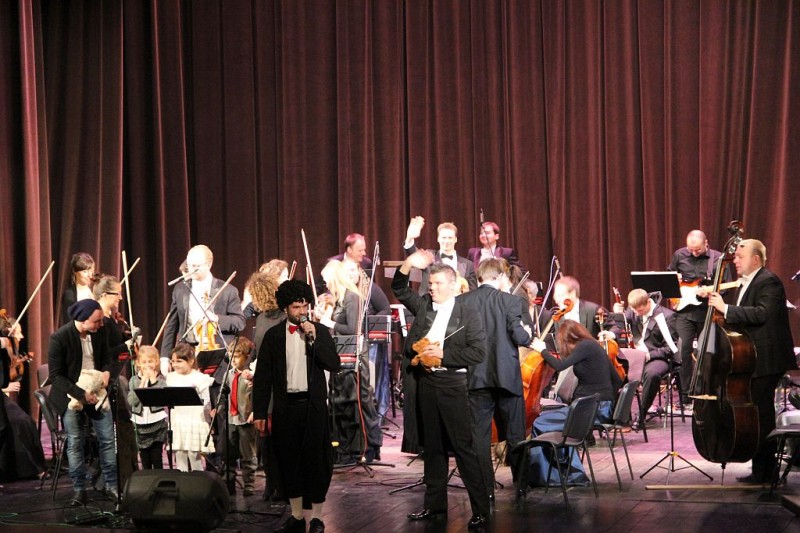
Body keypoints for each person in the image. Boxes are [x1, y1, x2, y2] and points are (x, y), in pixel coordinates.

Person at [392, 250, 490, 529]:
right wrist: (408, 263)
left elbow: (478, 352)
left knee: (463, 448)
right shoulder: (424, 305)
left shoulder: (468, 313)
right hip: (426, 383)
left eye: (437, 284)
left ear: (452, 285)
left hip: (452, 385)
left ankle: (481, 509)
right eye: (430, 283)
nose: (431, 288)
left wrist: (444, 355)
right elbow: (399, 288)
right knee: (432, 447)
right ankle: (434, 505)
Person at [252, 280, 341, 533]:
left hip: (313, 407)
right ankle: (297, 515)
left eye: (304, 306)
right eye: (296, 307)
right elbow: (263, 377)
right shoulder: (273, 336)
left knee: (316, 461)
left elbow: (333, 364)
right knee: (289, 461)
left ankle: (317, 518)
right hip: (286, 407)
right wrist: (260, 412)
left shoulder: (320, 332)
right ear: (285, 308)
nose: (301, 312)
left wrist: (314, 339)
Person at [706, 239, 797, 483]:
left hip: (768, 358)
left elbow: (762, 313)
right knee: (758, 413)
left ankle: (767, 472)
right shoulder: (748, 282)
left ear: (756, 259)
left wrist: (726, 308)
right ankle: (762, 470)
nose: (735, 261)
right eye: (735, 256)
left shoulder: (768, 280)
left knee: (761, 413)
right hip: (754, 357)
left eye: (740, 257)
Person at [458, 259, 531, 500]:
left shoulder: (463, 301)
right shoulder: (510, 301)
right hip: (507, 377)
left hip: (476, 376)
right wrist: (528, 333)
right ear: (499, 276)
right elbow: (520, 337)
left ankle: (485, 489)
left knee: (479, 436)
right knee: (515, 433)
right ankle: (521, 485)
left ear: (479, 277)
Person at [529, 320, 623, 486]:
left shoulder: (585, 346)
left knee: (539, 422)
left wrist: (542, 350)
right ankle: (567, 472)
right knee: (556, 422)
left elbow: (560, 365)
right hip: (600, 408)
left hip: (590, 410)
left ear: (568, 338)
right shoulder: (593, 346)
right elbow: (617, 380)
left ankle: (549, 476)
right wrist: (609, 405)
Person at [48, 299, 118, 505]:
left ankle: (111, 486)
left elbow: (107, 357)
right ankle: (79, 489)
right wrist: (81, 394)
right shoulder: (59, 338)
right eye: (97, 321)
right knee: (75, 442)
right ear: (82, 320)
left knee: (107, 440)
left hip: (97, 391)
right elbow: (56, 376)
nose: (101, 324)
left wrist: (107, 372)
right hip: (71, 394)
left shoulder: (100, 332)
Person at [159, 244, 246, 373]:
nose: (191, 269)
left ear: (208, 265)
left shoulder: (228, 290)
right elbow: (172, 324)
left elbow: (240, 322)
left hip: (216, 355)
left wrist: (216, 318)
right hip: (187, 356)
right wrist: (165, 357)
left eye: (196, 266)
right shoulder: (180, 289)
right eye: (189, 265)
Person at [668, 229, 730, 406]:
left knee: (707, 352)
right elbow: (668, 275)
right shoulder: (679, 255)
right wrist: (674, 279)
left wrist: (710, 293)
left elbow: (726, 285)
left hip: (707, 311)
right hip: (684, 312)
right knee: (683, 352)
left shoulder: (717, 259)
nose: (694, 253)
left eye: (697, 250)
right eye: (691, 250)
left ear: (706, 243)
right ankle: (685, 394)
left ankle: (705, 390)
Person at [611, 289, 680, 427]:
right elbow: (619, 325)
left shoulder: (667, 316)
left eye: (640, 311)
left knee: (652, 374)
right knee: (615, 370)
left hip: (657, 357)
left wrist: (648, 355)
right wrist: (617, 317)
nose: (637, 314)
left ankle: (642, 414)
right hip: (636, 356)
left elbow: (670, 348)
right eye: (634, 311)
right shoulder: (633, 311)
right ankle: (622, 417)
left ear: (648, 302)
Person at [166, 343, 215, 472]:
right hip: (178, 422)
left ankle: (197, 481)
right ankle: (182, 480)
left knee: (194, 457)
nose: (175, 364)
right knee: (180, 456)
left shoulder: (200, 378)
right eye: (173, 361)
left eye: (179, 361)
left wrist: (208, 422)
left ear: (191, 361)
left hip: (194, 421)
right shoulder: (171, 377)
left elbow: (206, 402)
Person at [403, 216, 478, 294]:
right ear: (438, 239)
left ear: (455, 239)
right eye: (443, 237)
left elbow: (473, 293)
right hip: (430, 300)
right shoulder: (429, 256)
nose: (446, 241)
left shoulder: (468, 265)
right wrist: (409, 238)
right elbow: (413, 254)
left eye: (450, 238)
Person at [225, 337, 258, 496]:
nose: (233, 360)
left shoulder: (251, 376)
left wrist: (254, 411)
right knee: (229, 452)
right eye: (231, 356)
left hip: (245, 418)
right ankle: (229, 482)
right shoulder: (228, 375)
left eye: (237, 356)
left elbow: (257, 395)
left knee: (248, 453)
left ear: (246, 357)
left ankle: (249, 483)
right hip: (231, 418)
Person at [127, 345, 168, 469]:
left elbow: (161, 400)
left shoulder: (161, 381)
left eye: (150, 361)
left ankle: (159, 479)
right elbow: (132, 401)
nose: (147, 365)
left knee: (156, 456)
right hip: (140, 425)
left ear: (156, 362)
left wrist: (154, 382)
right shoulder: (134, 380)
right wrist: (142, 383)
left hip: (157, 423)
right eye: (144, 362)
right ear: (138, 363)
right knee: (144, 458)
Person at [551, 276, 617, 339]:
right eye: (555, 296)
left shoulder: (593, 310)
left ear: (573, 293)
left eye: (560, 296)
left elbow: (615, 327)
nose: (557, 300)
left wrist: (610, 334)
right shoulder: (558, 316)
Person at [60, 252, 96, 326]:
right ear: (75, 271)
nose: (90, 275)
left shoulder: (95, 292)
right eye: (85, 271)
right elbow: (69, 323)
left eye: (91, 271)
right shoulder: (69, 295)